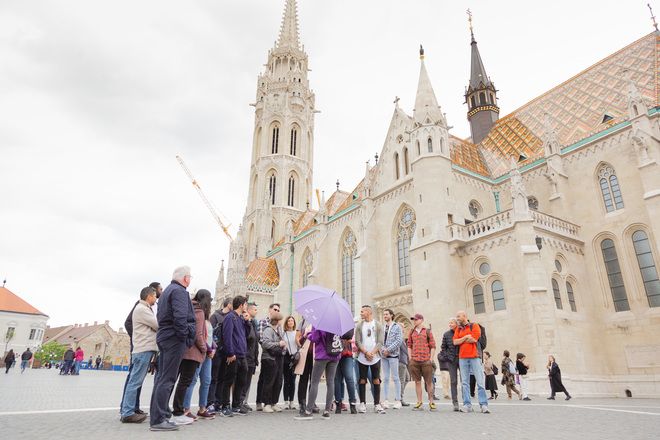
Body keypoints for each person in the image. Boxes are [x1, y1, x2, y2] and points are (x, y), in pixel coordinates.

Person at [149, 266, 196, 432]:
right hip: (174, 339)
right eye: (190, 277)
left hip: (165, 337)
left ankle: (160, 414)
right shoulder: (179, 292)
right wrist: (185, 337)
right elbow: (180, 317)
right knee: (167, 379)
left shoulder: (168, 290)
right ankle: (158, 419)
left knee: (162, 378)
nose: (190, 279)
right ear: (185, 278)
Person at [120, 286, 159, 424]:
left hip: (142, 350)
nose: (156, 298)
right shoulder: (142, 309)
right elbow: (157, 325)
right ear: (149, 296)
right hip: (143, 350)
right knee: (135, 382)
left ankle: (127, 411)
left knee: (134, 381)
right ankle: (127, 412)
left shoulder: (143, 309)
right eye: (154, 296)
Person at [177, 289, 214, 422]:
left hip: (207, 354)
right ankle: (185, 409)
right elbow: (198, 336)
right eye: (209, 300)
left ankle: (202, 408)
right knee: (191, 380)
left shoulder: (205, 316)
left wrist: (213, 348)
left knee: (206, 380)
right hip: (199, 352)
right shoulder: (197, 312)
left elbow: (209, 336)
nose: (211, 303)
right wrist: (207, 349)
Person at [295, 327, 342, 420]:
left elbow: (315, 338)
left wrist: (307, 334)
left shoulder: (320, 324)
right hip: (335, 355)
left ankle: (308, 411)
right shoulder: (337, 323)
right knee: (330, 382)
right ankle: (327, 411)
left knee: (314, 382)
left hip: (322, 355)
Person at [453, 310, 489, 413]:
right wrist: (465, 337)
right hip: (462, 357)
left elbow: (474, 339)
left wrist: (462, 339)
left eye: (458, 316)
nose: (457, 318)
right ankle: (467, 405)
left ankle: (483, 405)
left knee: (480, 382)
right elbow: (455, 342)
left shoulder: (475, 325)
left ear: (464, 316)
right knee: (464, 383)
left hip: (474, 356)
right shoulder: (458, 329)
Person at [219, 295, 249, 417]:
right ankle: (225, 406)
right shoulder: (230, 318)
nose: (246, 307)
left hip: (242, 354)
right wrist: (230, 353)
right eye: (246, 304)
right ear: (241, 305)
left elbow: (245, 334)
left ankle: (236, 405)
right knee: (229, 380)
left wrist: (247, 322)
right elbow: (227, 336)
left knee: (242, 380)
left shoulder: (241, 318)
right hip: (233, 355)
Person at [355, 305, 386, 414]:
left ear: (369, 312)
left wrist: (372, 353)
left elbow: (380, 341)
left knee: (376, 380)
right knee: (362, 380)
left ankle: (377, 404)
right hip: (362, 357)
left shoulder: (378, 325)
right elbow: (357, 341)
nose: (361, 313)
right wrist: (366, 352)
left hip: (375, 357)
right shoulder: (359, 326)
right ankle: (362, 403)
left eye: (362, 311)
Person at [207, 297, 232, 413]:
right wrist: (212, 348)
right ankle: (210, 402)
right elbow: (210, 333)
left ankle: (218, 402)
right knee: (213, 378)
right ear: (228, 305)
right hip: (216, 352)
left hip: (225, 352)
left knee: (222, 378)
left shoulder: (232, 317)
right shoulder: (215, 316)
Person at [407, 313, 436, 411]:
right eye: (413, 320)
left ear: (421, 320)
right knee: (417, 382)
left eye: (416, 319)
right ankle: (419, 402)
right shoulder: (411, 332)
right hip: (415, 361)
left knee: (429, 382)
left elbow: (433, 346)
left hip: (426, 360)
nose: (414, 321)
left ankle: (431, 402)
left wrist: (431, 359)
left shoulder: (427, 331)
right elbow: (409, 345)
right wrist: (410, 358)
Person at [255, 303, 281, 411]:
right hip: (268, 356)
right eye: (275, 309)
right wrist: (277, 345)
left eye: (278, 310)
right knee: (265, 380)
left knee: (277, 380)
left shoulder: (279, 328)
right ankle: (263, 402)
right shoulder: (265, 324)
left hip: (277, 356)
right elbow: (263, 341)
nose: (277, 311)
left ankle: (272, 402)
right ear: (270, 310)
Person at [260, 311, 285, 413]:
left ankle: (274, 403)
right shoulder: (268, 330)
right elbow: (265, 344)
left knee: (278, 381)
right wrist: (279, 343)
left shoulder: (278, 330)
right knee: (269, 381)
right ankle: (267, 404)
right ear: (277, 321)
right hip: (269, 359)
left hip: (278, 358)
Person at [380, 309, 403, 409]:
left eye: (387, 314)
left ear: (391, 315)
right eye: (384, 314)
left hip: (393, 356)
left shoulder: (397, 327)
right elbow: (379, 340)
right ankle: (385, 400)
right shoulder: (382, 327)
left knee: (395, 377)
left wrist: (388, 350)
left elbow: (399, 340)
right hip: (383, 356)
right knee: (385, 378)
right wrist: (382, 350)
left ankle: (398, 400)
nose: (385, 316)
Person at [295, 317, 317, 416]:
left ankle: (311, 402)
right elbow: (297, 337)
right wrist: (301, 344)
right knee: (303, 379)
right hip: (305, 355)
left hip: (316, 355)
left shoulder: (319, 321)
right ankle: (302, 402)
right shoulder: (303, 321)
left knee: (314, 380)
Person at [240, 302, 259, 412]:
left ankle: (244, 402)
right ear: (249, 310)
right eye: (255, 310)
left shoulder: (254, 323)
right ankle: (239, 402)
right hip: (246, 355)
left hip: (252, 356)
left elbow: (255, 340)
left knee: (248, 381)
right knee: (242, 380)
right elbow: (249, 337)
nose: (256, 311)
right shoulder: (244, 322)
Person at [333, 329, 357, 414]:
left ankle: (352, 403)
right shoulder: (331, 325)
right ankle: (338, 403)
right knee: (337, 380)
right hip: (334, 354)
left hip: (346, 354)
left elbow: (350, 335)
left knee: (349, 378)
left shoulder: (347, 324)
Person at [438, 317, 460, 411]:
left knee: (464, 381)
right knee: (453, 381)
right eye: (449, 323)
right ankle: (455, 403)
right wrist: (448, 356)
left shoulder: (461, 332)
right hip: (451, 361)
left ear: (456, 324)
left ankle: (467, 402)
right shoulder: (446, 334)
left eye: (452, 323)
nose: (450, 324)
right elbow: (443, 348)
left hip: (462, 359)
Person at [282, 315, 299, 410]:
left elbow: (299, 345)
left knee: (292, 381)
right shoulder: (283, 333)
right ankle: (286, 402)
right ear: (286, 323)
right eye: (289, 321)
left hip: (294, 358)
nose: (290, 322)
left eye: (292, 320)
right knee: (286, 380)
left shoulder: (297, 333)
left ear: (294, 323)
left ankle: (292, 401)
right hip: (286, 357)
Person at [398, 335, 411, 407]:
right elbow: (406, 350)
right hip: (401, 362)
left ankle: (399, 395)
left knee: (407, 378)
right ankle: (400, 399)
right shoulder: (400, 339)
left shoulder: (403, 339)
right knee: (402, 380)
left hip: (404, 362)